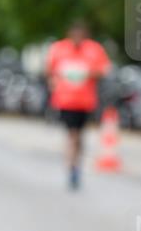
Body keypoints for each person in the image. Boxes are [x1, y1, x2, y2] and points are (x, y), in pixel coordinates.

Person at [45, 21, 111, 190]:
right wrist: (53, 81)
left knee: (79, 135)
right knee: (72, 134)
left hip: (85, 101)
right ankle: (72, 167)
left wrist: (88, 73)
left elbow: (104, 70)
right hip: (65, 101)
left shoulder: (94, 49)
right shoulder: (59, 49)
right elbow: (49, 71)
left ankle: (76, 163)